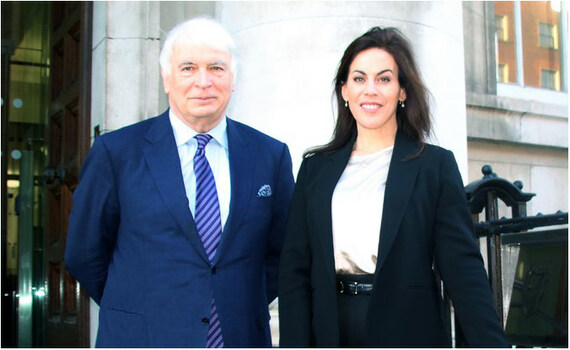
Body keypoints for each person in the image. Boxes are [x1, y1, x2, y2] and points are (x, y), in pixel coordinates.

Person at [65, 17, 294, 347]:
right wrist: (138, 307)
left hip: (238, 337)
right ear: (166, 78)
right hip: (141, 338)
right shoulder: (116, 153)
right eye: (188, 68)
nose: (203, 82)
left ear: (233, 79)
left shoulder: (270, 155)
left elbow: (282, 253)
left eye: (216, 68)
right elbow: (84, 253)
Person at [278, 27, 508, 347]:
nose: (370, 89)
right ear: (344, 90)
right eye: (359, 79)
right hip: (329, 330)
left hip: (408, 331)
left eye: (384, 79)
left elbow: (462, 269)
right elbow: (294, 273)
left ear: (402, 91)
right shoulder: (315, 169)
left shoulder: (434, 166)